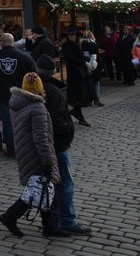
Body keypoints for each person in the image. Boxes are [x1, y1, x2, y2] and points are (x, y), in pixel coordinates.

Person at [0, 72, 62, 238]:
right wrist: (48, 160)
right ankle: (11, 216)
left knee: (41, 188)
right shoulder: (37, 107)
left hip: (25, 151)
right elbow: (41, 138)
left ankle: (48, 225)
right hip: (36, 154)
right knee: (41, 188)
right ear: (40, 89)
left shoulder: (18, 103)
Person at [36, 55, 90, 236]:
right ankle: (66, 220)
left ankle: (56, 217)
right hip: (56, 144)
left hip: (43, 143)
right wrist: (68, 130)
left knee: (53, 181)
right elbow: (58, 121)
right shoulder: (53, 92)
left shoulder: (34, 89)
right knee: (64, 182)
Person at [0, 33, 35, 156]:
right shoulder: (25, 57)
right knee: (23, 121)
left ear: (1, 42)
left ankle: (12, 148)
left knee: (7, 121)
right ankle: (24, 146)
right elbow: (33, 75)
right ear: (13, 42)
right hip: (22, 94)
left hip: (3, 94)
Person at [60, 33, 94, 126]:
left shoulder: (77, 44)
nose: (72, 36)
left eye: (73, 35)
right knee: (77, 96)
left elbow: (80, 56)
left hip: (80, 74)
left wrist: (85, 59)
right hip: (75, 74)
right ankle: (78, 115)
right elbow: (71, 59)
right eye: (70, 35)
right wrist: (84, 62)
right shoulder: (67, 46)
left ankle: (76, 113)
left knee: (83, 95)